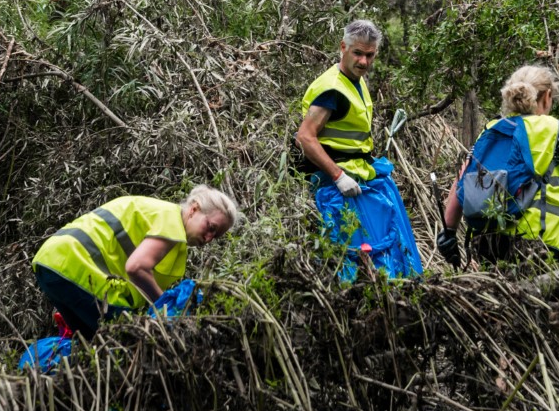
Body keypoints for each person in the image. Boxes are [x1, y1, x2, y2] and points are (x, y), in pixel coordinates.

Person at [437, 64, 559, 265]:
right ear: (546, 96)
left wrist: (448, 231)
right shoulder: (552, 129)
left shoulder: (492, 129)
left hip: (486, 243)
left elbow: (462, 180)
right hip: (535, 247)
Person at [293, 18, 423, 279]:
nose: (364, 62)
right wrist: (338, 177)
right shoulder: (332, 88)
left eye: (370, 55)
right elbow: (305, 137)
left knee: (376, 250)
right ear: (343, 47)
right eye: (358, 54)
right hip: (333, 185)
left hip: (356, 176)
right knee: (351, 255)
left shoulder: (356, 79)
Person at [31, 186, 241, 338]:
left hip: (51, 263)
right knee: (125, 340)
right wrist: (165, 309)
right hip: (73, 267)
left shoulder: (159, 215)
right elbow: (137, 268)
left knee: (92, 345)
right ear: (193, 209)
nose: (209, 238)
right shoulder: (171, 220)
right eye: (211, 227)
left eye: (216, 236)